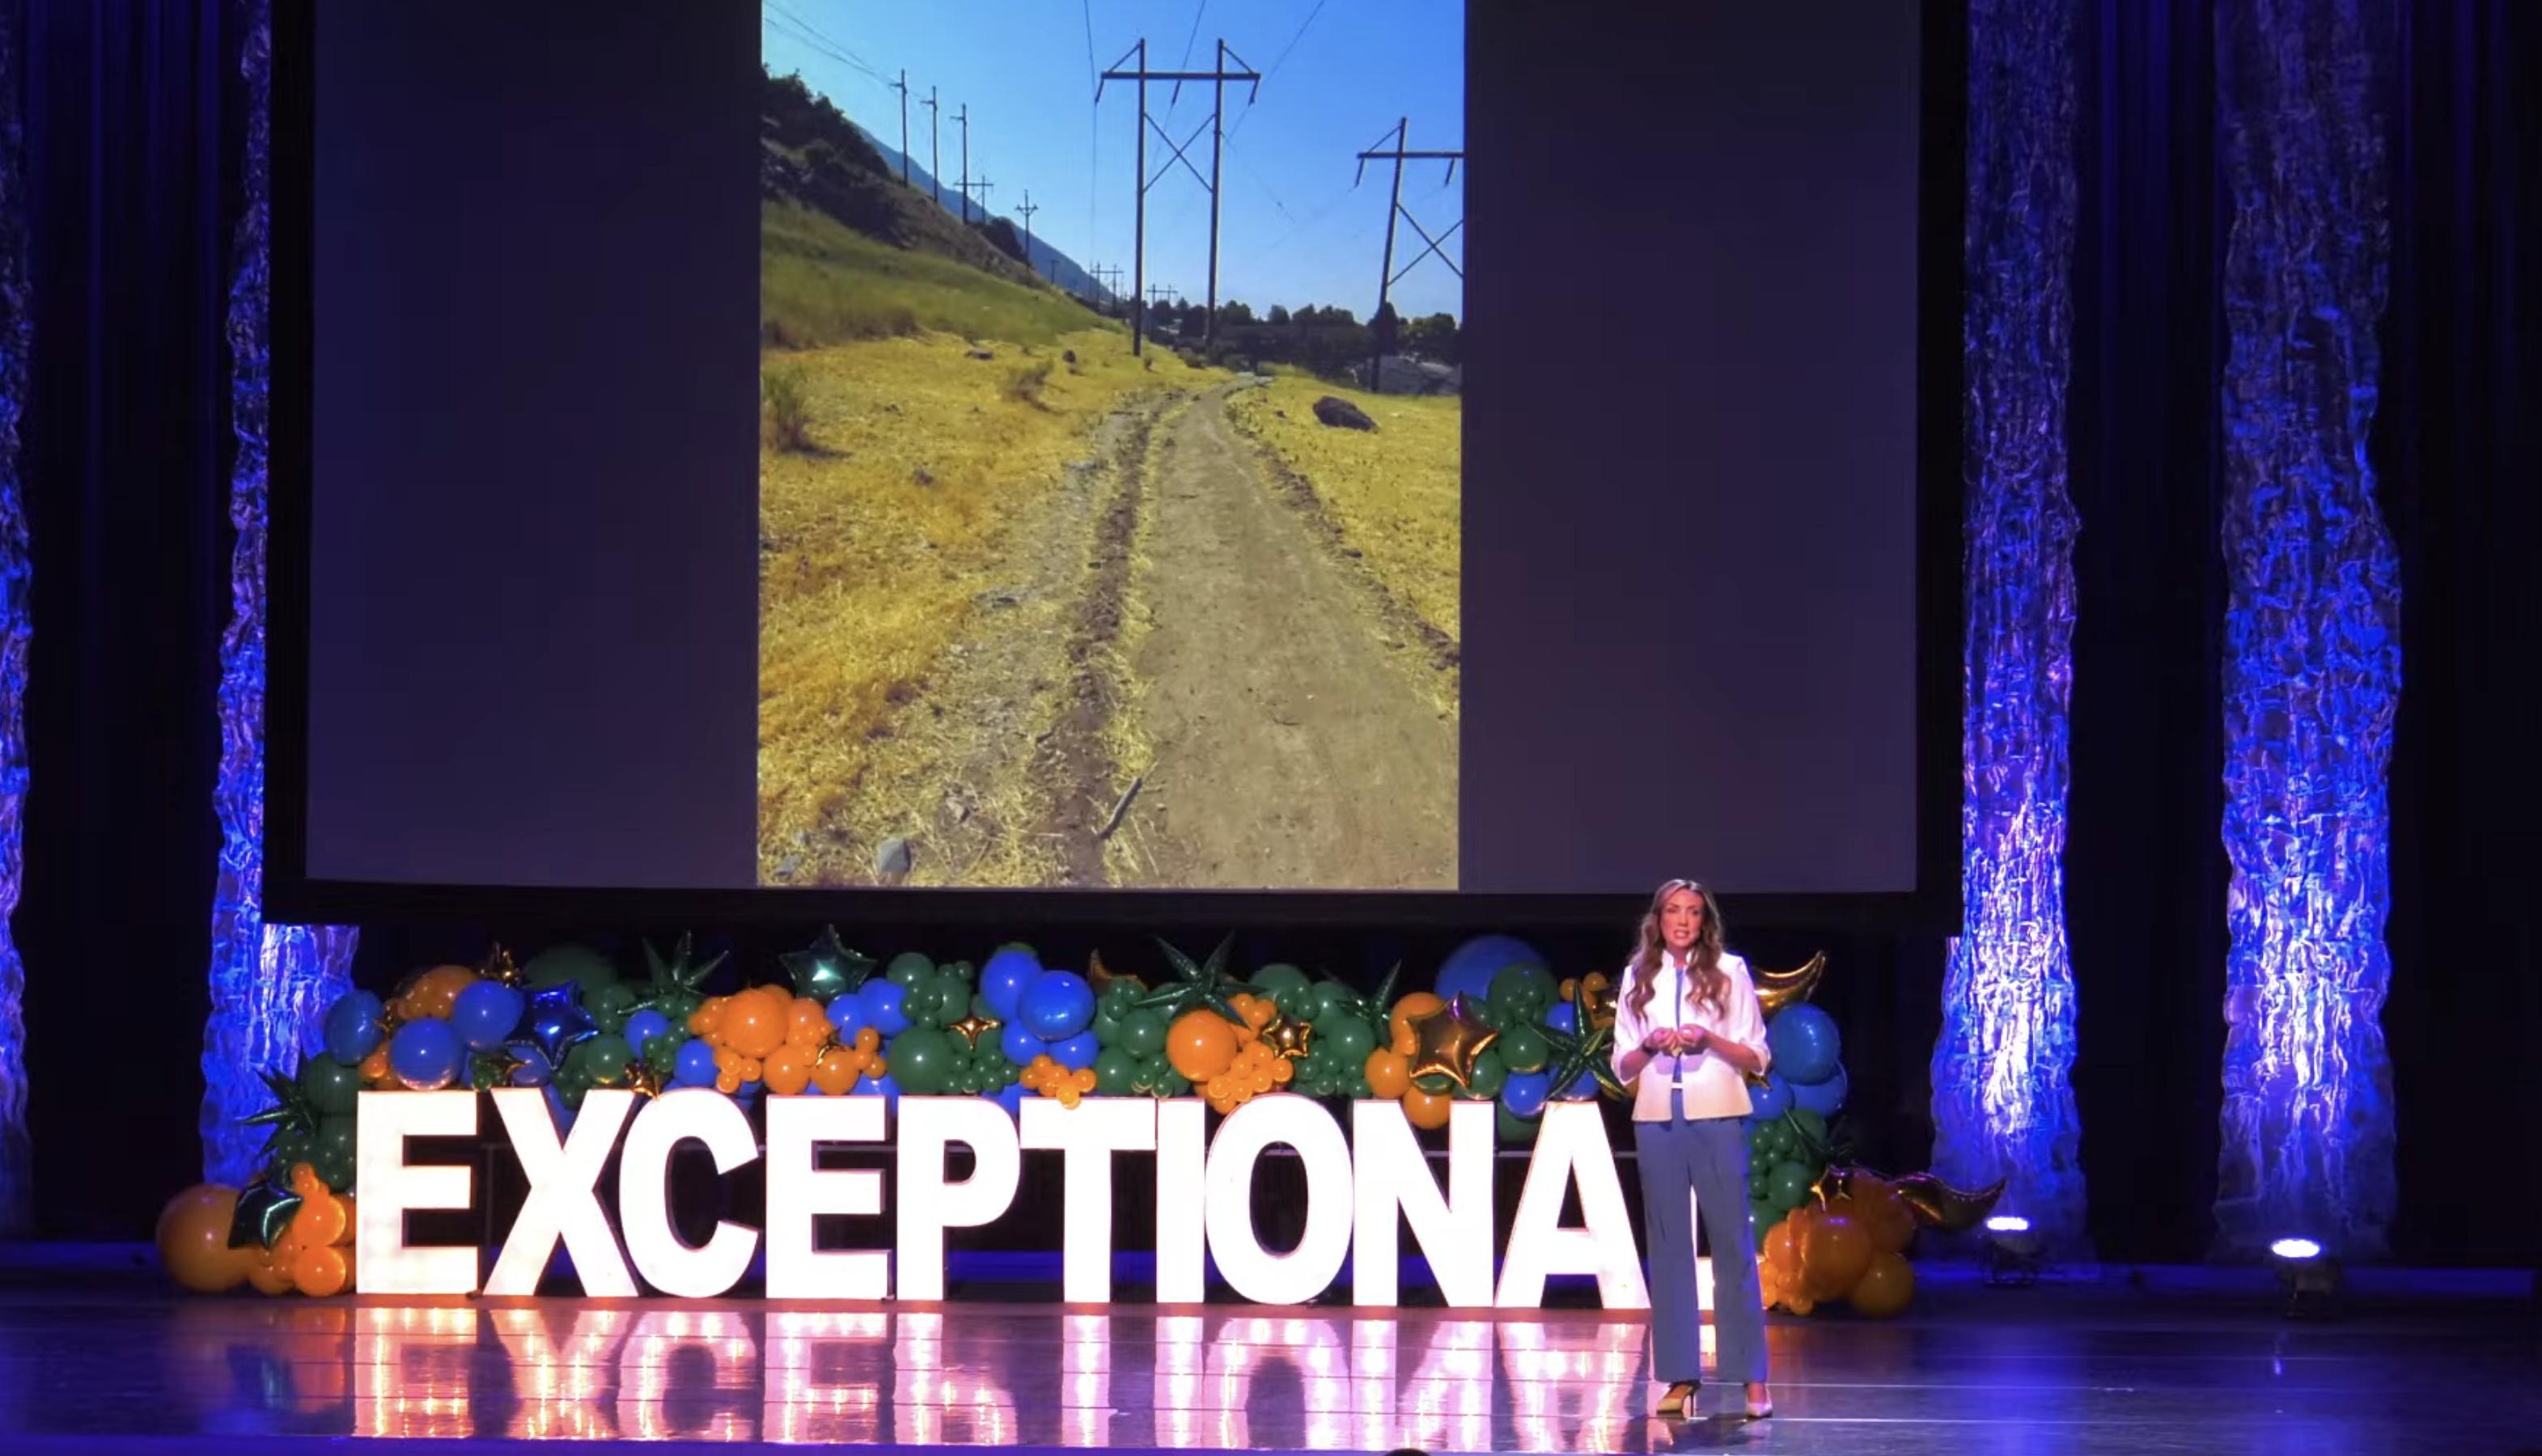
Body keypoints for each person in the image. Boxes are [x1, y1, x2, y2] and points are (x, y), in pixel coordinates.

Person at [1610, 878, 1774, 1421]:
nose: (1683, 921)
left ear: (1705, 922)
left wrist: (1708, 1040)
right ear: (1657, 920)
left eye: (1694, 913)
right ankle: (1682, 1376)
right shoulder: (1639, 976)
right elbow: (1622, 1066)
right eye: (1673, 912)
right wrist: (1647, 1046)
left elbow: (1756, 1056)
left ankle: (1752, 1378)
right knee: (1669, 1249)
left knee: (1732, 1246)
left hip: (1717, 1116)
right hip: (1657, 1119)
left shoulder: (1731, 972)